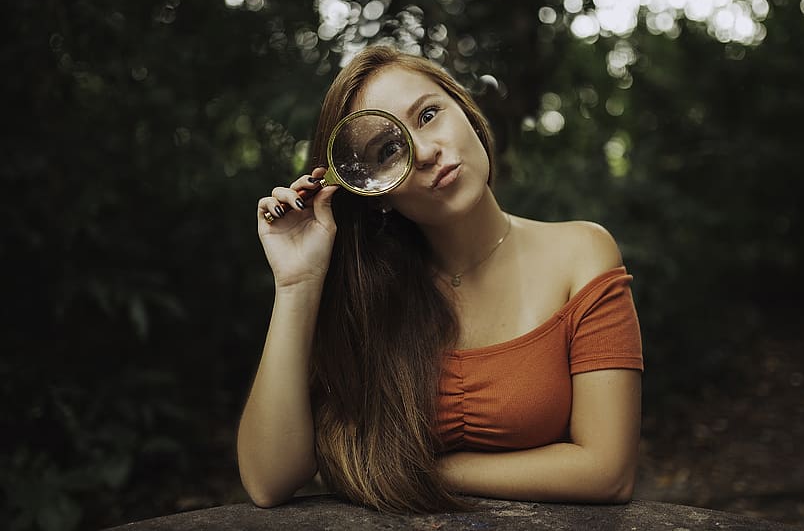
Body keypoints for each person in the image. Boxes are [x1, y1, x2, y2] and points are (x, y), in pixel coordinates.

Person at [237, 45, 643, 514]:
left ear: (467, 113)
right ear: (375, 194)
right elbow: (269, 482)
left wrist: (407, 468)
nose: (426, 152)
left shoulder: (582, 253)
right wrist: (297, 284)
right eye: (388, 149)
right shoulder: (367, 296)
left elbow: (608, 472)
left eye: (429, 114)